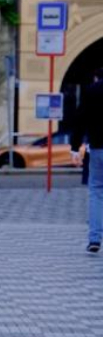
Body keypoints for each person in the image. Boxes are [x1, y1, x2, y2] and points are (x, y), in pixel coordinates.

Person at [70, 67, 103, 253]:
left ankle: (95, 239)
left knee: (96, 193)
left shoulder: (92, 91)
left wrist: (75, 147)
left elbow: (79, 120)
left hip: (98, 148)